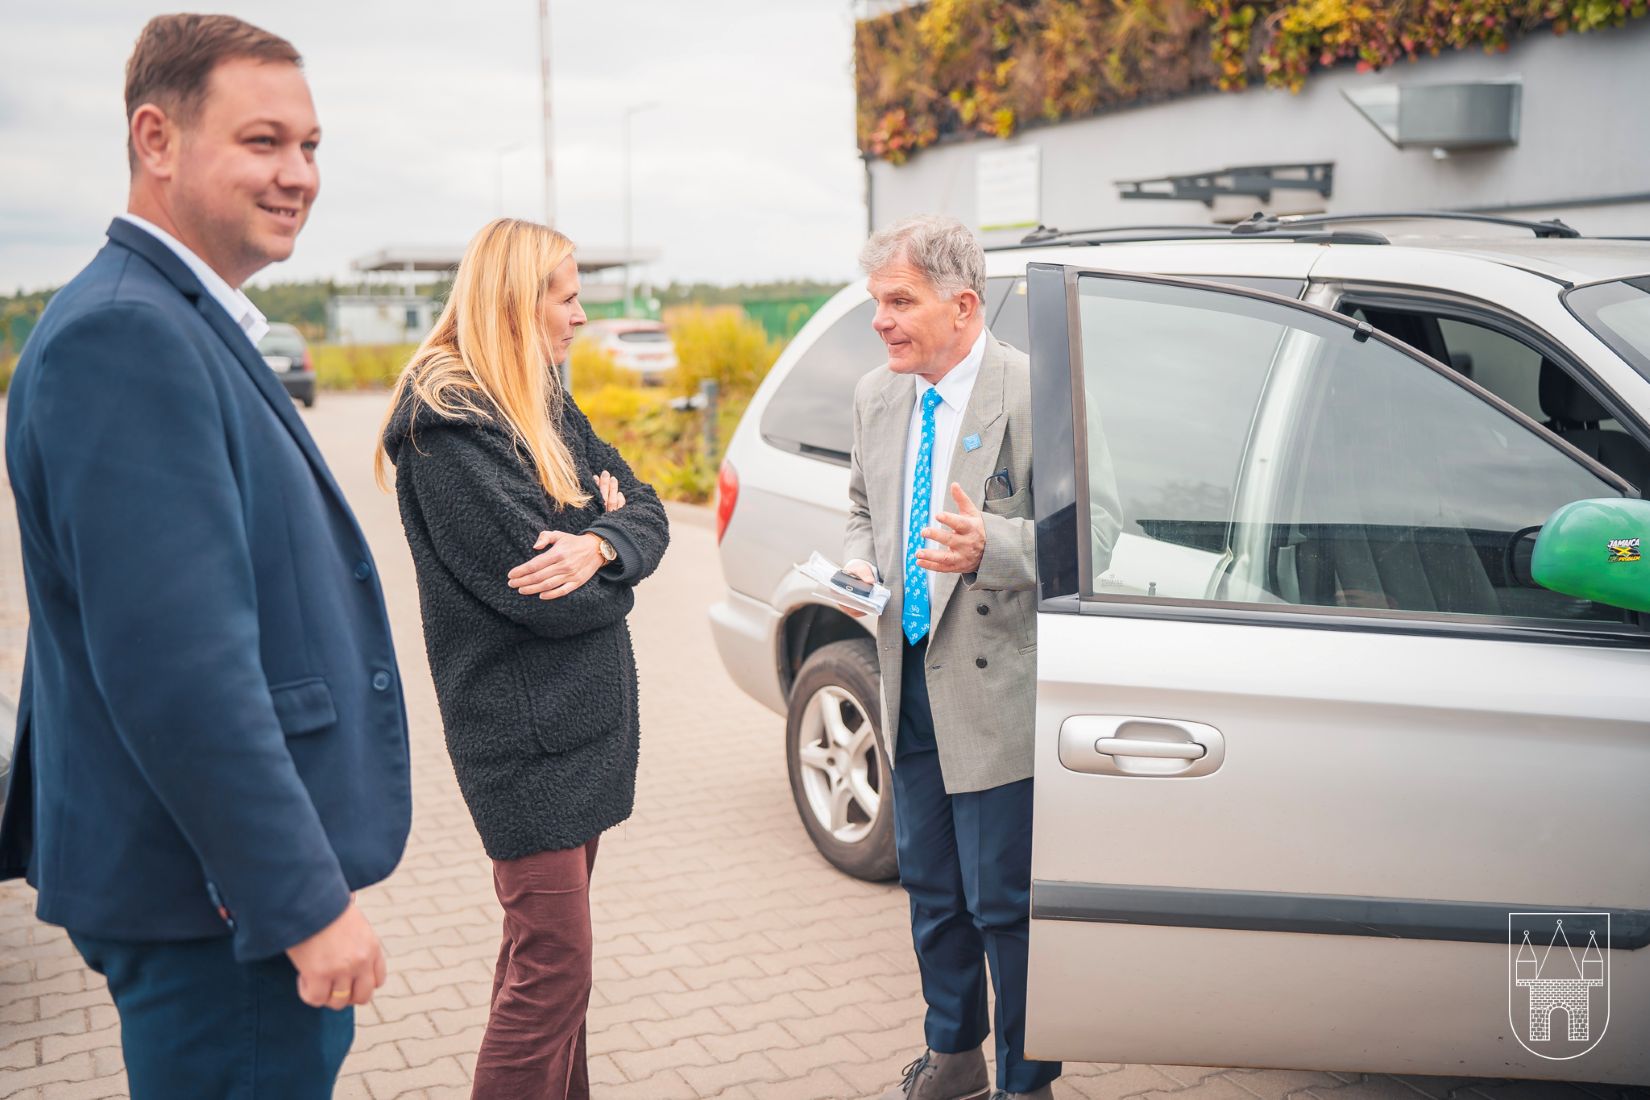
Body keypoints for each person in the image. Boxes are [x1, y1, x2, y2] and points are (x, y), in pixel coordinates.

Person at [0, 14, 411, 1097]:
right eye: (264, 141)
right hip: (218, 910)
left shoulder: (179, 317)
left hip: (206, 891)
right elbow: (181, 670)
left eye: (311, 145)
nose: (299, 175)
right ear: (157, 138)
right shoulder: (127, 335)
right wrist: (301, 903)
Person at [377, 217, 670, 1100]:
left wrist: (600, 542)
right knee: (553, 975)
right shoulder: (449, 432)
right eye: (568, 297)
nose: (581, 316)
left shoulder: (534, 398)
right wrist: (604, 557)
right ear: (516, 301)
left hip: (580, 735)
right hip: (525, 749)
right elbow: (547, 597)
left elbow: (648, 506)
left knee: (549, 970)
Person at [843, 215, 1061, 1100]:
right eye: (876, 303)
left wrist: (995, 549)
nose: (881, 321)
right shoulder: (876, 396)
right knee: (931, 891)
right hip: (907, 683)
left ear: (963, 305)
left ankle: (1025, 1081)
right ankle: (954, 1056)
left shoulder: (1037, 390)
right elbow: (863, 505)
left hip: (998, 691)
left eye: (900, 302)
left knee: (1003, 906)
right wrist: (861, 557)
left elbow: (1099, 540)